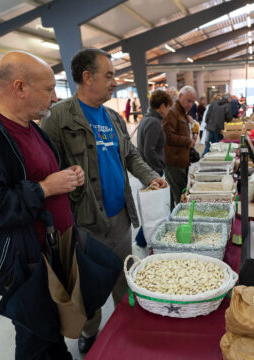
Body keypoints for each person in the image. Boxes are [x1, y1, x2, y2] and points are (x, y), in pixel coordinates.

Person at [0, 51, 84, 359]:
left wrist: (64, 178)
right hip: (24, 262)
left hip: (49, 251)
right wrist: (45, 188)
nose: (54, 97)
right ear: (20, 87)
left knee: (51, 334)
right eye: (49, 89)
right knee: (36, 340)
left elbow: (34, 174)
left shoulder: (29, 125)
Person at [41, 48, 166, 353]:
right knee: (89, 289)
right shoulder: (60, 118)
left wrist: (149, 175)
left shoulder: (113, 117)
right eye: (109, 75)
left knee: (123, 280)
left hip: (120, 217)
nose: (114, 82)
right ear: (88, 77)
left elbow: (131, 155)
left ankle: (128, 328)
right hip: (85, 222)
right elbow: (43, 166)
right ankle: (90, 331)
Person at [162, 85, 197, 209]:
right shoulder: (173, 112)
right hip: (174, 162)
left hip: (181, 160)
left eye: (193, 101)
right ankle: (180, 221)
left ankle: (172, 217)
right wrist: (188, 142)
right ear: (180, 96)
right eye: (188, 100)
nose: (190, 104)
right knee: (180, 196)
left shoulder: (182, 113)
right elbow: (167, 135)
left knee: (175, 194)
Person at [137, 89, 172, 175]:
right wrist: (159, 168)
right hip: (153, 171)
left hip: (147, 169)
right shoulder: (154, 122)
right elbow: (148, 150)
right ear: (163, 107)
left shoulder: (146, 118)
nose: (169, 110)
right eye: (169, 107)